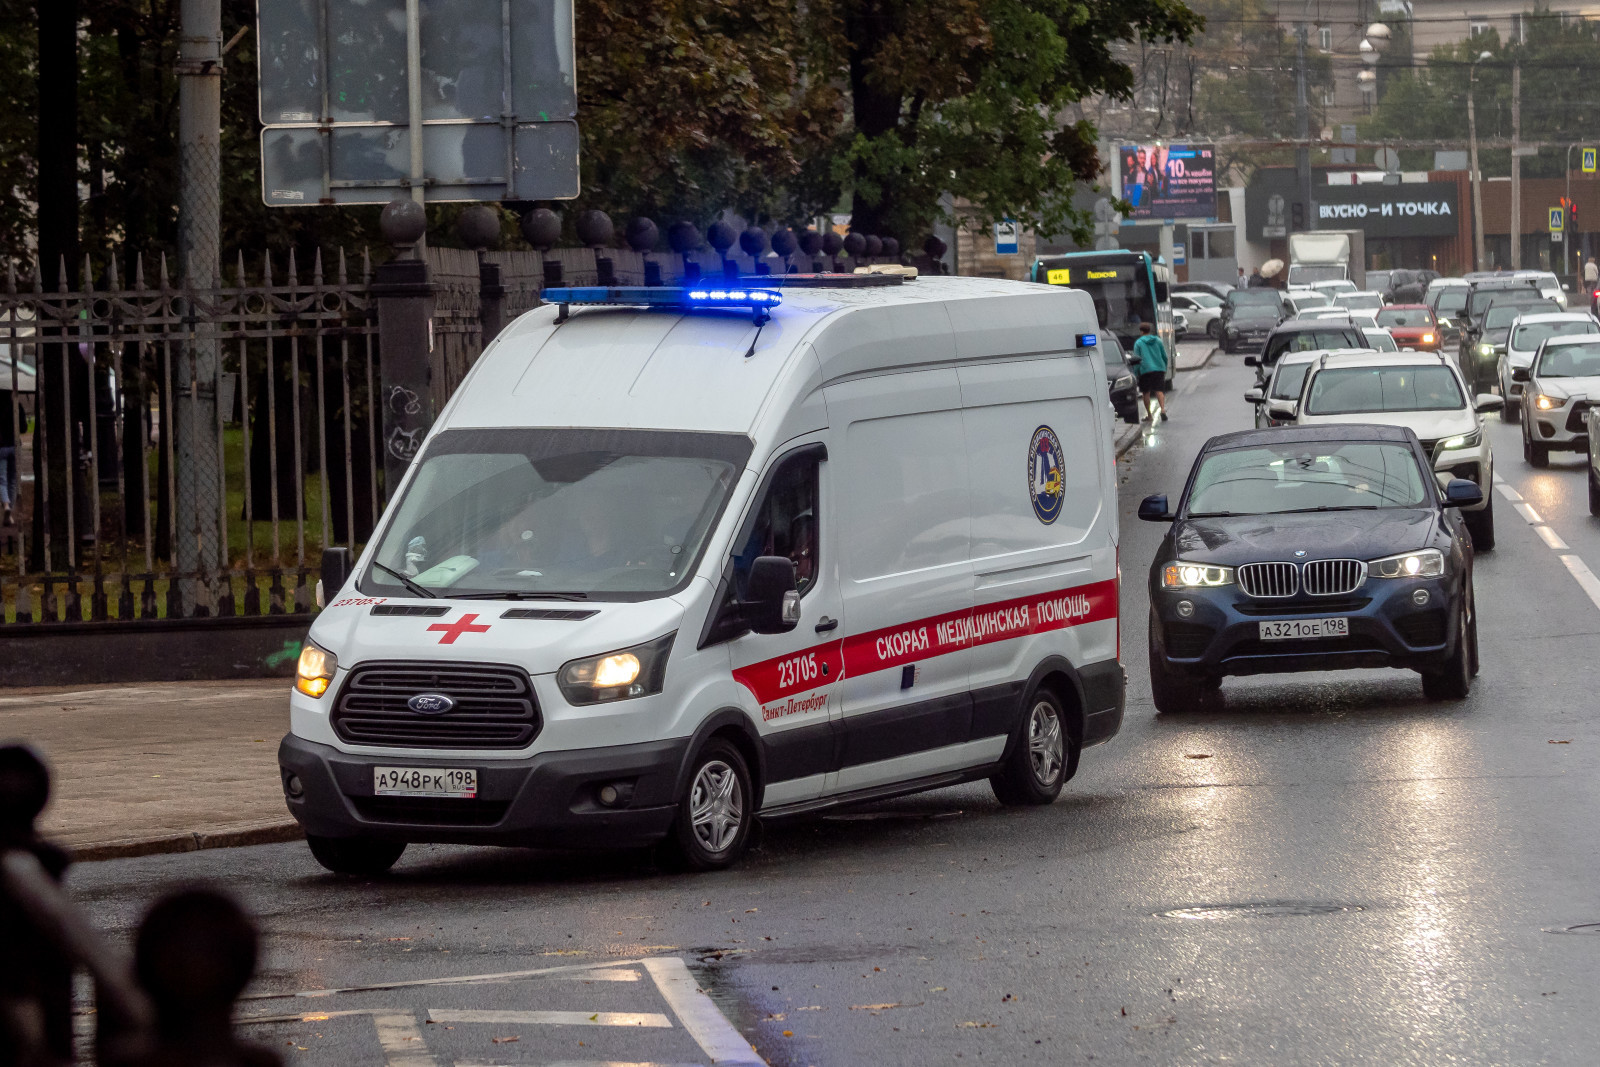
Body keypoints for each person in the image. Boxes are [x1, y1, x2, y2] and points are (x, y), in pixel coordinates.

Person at [1133, 321, 1169, 422]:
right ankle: (1162, 410)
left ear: (1141, 331)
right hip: (1159, 368)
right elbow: (1164, 356)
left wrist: (1136, 373)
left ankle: (1149, 415)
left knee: (1146, 392)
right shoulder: (1158, 340)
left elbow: (1136, 359)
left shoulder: (1139, 343)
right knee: (1159, 390)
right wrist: (1164, 367)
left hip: (1145, 370)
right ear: (1149, 330)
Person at [0, 387, 22, 528]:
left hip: (1, 446)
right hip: (15, 445)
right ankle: (11, 514)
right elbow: (24, 427)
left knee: (2, 479)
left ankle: (6, 505)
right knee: (13, 479)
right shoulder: (17, 406)